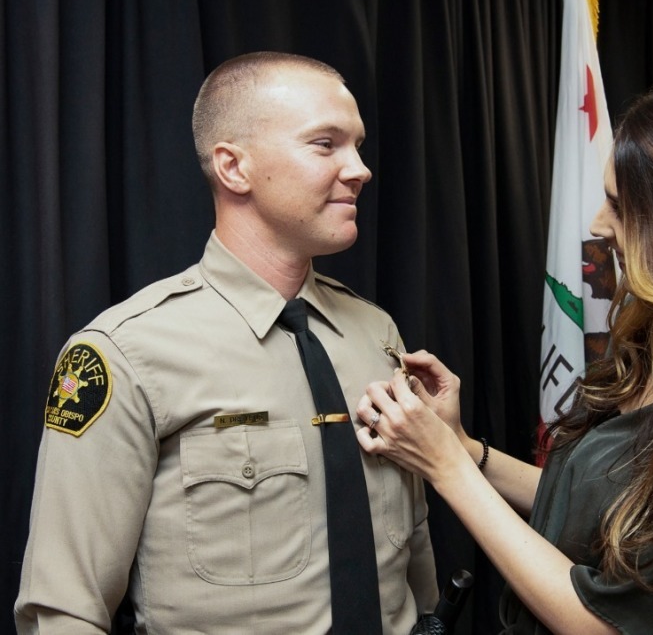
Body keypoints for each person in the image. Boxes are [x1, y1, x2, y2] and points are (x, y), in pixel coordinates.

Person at [354, 66, 653, 634]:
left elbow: (604, 624)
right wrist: (468, 450)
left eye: (619, 205)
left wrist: (444, 468)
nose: (598, 223)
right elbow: (618, 515)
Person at [14, 51, 438, 634]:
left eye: (358, 146)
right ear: (234, 168)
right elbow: (65, 610)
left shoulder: (376, 333)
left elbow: (411, 561)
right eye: (325, 144)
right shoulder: (126, 353)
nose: (360, 168)